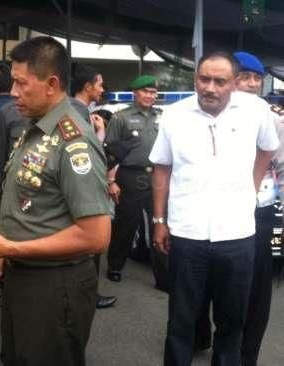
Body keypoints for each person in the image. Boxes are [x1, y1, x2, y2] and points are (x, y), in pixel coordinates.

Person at [0, 36, 112, 365]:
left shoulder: (73, 141)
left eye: (21, 83)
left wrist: (10, 248)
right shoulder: (33, 128)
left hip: (55, 284)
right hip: (24, 276)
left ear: (51, 84)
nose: (14, 92)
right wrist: (5, 245)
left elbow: (95, 236)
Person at [150, 52, 279, 366]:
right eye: (203, 79)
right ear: (195, 79)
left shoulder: (256, 112)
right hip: (187, 234)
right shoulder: (175, 115)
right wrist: (159, 220)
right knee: (181, 321)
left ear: (234, 84)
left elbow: (268, 149)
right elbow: (162, 167)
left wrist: (251, 187)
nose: (209, 87)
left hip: (237, 235)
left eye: (219, 81)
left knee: (231, 323)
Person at [194, 51, 282, 364]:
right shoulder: (210, 114)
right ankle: (200, 334)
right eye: (244, 77)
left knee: (258, 288)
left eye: (257, 78)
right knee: (206, 279)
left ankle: (246, 355)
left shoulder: (271, 117)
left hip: (263, 213)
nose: (251, 84)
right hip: (214, 211)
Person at [104, 75, 167, 291]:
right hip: (130, 176)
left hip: (157, 176)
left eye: (153, 92)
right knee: (126, 224)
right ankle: (115, 266)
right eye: (146, 91)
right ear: (135, 93)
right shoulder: (121, 118)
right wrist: (111, 180)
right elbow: (110, 153)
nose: (150, 96)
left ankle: (163, 278)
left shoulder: (162, 117)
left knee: (160, 223)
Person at [70, 64, 117, 309]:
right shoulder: (78, 113)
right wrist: (100, 134)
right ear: (87, 86)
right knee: (90, 246)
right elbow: (85, 156)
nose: (102, 88)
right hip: (86, 190)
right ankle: (86, 295)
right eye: (99, 84)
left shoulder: (81, 110)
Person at [0, 100, 30, 308]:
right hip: (14, 213)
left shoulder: (76, 113)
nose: (13, 92)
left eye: (21, 81)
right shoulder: (9, 113)